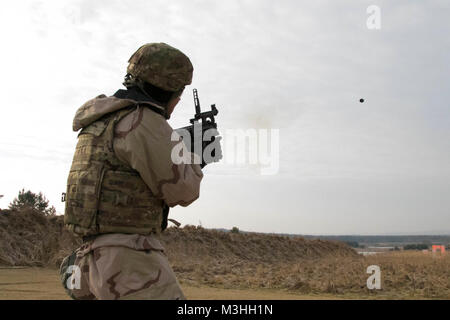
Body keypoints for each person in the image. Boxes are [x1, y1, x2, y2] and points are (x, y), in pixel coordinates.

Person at [60, 43, 205, 300]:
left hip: (88, 259)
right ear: (174, 91)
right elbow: (184, 191)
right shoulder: (144, 120)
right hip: (129, 262)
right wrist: (196, 158)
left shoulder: (99, 120)